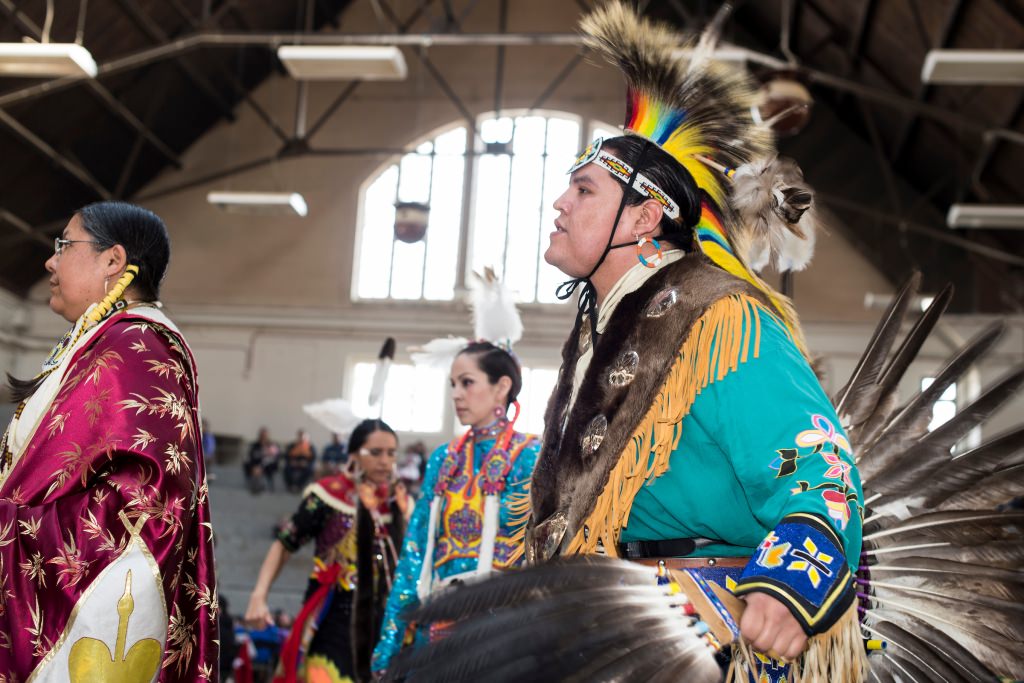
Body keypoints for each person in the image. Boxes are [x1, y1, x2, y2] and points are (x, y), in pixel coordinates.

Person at [521, 4, 863, 680]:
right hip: (608, 620)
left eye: (583, 189)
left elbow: (821, 465)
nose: (559, 202)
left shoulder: (720, 318)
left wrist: (790, 581)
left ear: (645, 217)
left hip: (699, 634)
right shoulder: (598, 330)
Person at [0, 201, 217, 678]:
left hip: (98, 610)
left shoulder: (136, 348)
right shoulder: (104, 344)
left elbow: (144, 506)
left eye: (64, 245)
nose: (50, 261)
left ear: (113, 261)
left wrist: (9, 528)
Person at [372, 341, 542, 674]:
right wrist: (389, 643)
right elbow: (415, 550)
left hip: (501, 630)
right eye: (453, 384)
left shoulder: (529, 455)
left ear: (501, 387)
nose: (456, 394)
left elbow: (542, 549)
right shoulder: (443, 459)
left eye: (467, 382)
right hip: (437, 626)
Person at [245, 419, 410, 682]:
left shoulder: (399, 502)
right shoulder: (328, 495)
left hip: (386, 623)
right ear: (354, 454)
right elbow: (284, 544)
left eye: (391, 453)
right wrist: (259, 594)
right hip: (333, 618)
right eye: (375, 452)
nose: (385, 461)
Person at [247, 427, 281, 493]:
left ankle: (264, 487)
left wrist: (261, 466)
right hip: (256, 466)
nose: (263, 437)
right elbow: (251, 457)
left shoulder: (273, 446)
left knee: (259, 470)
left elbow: (275, 458)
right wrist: (255, 467)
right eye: (262, 435)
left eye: (265, 436)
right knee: (253, 469)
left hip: (269, 466)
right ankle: (256, 486)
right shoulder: (255, 446)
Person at [283, 429, 316, 493]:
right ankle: (291, 486)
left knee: (309, 470)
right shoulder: (292, 445)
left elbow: (313, 458)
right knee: (286, 469)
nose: (301, 437)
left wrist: (307, 463)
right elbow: (287, 456)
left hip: (305, 465)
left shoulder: (310, 446)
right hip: (294, 464)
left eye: (303, 436)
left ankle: (299, 486)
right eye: (300, 436)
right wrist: (291, 462)